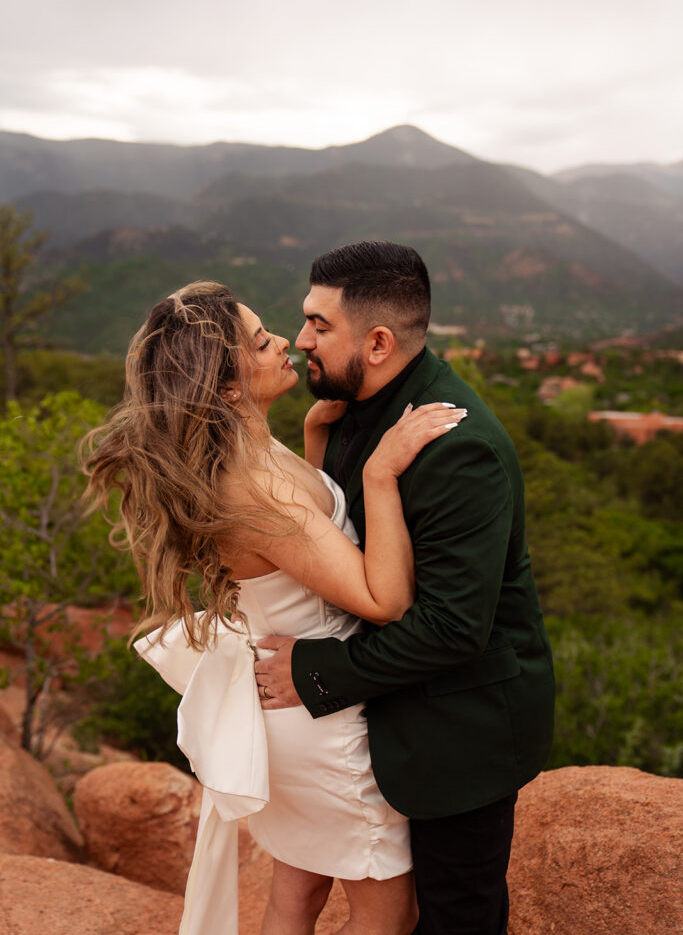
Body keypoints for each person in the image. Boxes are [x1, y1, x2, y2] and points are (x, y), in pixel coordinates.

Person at [83, 280, 466, 935]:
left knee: (297, 894)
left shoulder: (246, 448)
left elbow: (305, 545)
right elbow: (383, 600)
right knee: (388, 914)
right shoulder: (254, 488)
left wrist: (317, 440)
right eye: (262, 343)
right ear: (228, 388)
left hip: (293, 708)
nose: (285, 341)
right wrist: (378, 474)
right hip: (326, 722)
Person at [255, 241, 555, 935]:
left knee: (455, 916)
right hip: (383, 719)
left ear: (379, 343)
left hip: (459, 728)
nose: (301, 340)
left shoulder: (456, 448)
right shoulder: (349, 410)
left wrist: (314, 671)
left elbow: (453, 628)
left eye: (319, 325)